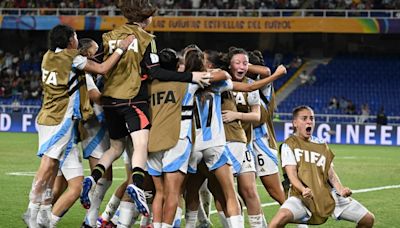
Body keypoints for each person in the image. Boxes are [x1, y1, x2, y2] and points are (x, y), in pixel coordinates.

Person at [80, 0, 211, 219]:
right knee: (141, 145)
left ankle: (92, 178)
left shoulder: (109, 36)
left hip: (110, 101)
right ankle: (138, 186)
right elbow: (156, 72)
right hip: (132, 100)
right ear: (146, 17)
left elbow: (99, 63)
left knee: (115, 148)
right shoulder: (147, 39)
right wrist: (191, 76)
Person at [23, 24, 133, 228]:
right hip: (61, 120)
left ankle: (44, 216)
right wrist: (121, 48)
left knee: (63, 179)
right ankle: (34, 211)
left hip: (54, 118)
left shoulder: (48, 56)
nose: (95, 55)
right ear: (69, 42)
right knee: (49, 165)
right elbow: (101, 71)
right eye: (75, 36)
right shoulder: (75, 62)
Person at [269, 105, 375, 228]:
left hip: (328, 195)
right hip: (301, 197)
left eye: (312, 118)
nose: (309, 121)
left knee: (368, 219)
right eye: (304, 118)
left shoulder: (322, 145)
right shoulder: (289, 145)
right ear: (295, 123)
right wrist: (303, 189)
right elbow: (291, 174)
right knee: (278, 220)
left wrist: (341, 189)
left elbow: (331, 174)